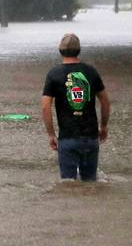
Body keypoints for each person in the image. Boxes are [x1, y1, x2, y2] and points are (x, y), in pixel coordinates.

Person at [41, 33, 111, 182]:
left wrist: (51, 134)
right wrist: (103, 126)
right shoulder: (91, 72)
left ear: (60, 50)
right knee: (91, 183)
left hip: (68, 138)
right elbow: (105, 101)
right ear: (79, 50)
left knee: (68, 185)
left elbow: (45, 107)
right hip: (91, 137)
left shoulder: (54, 74)